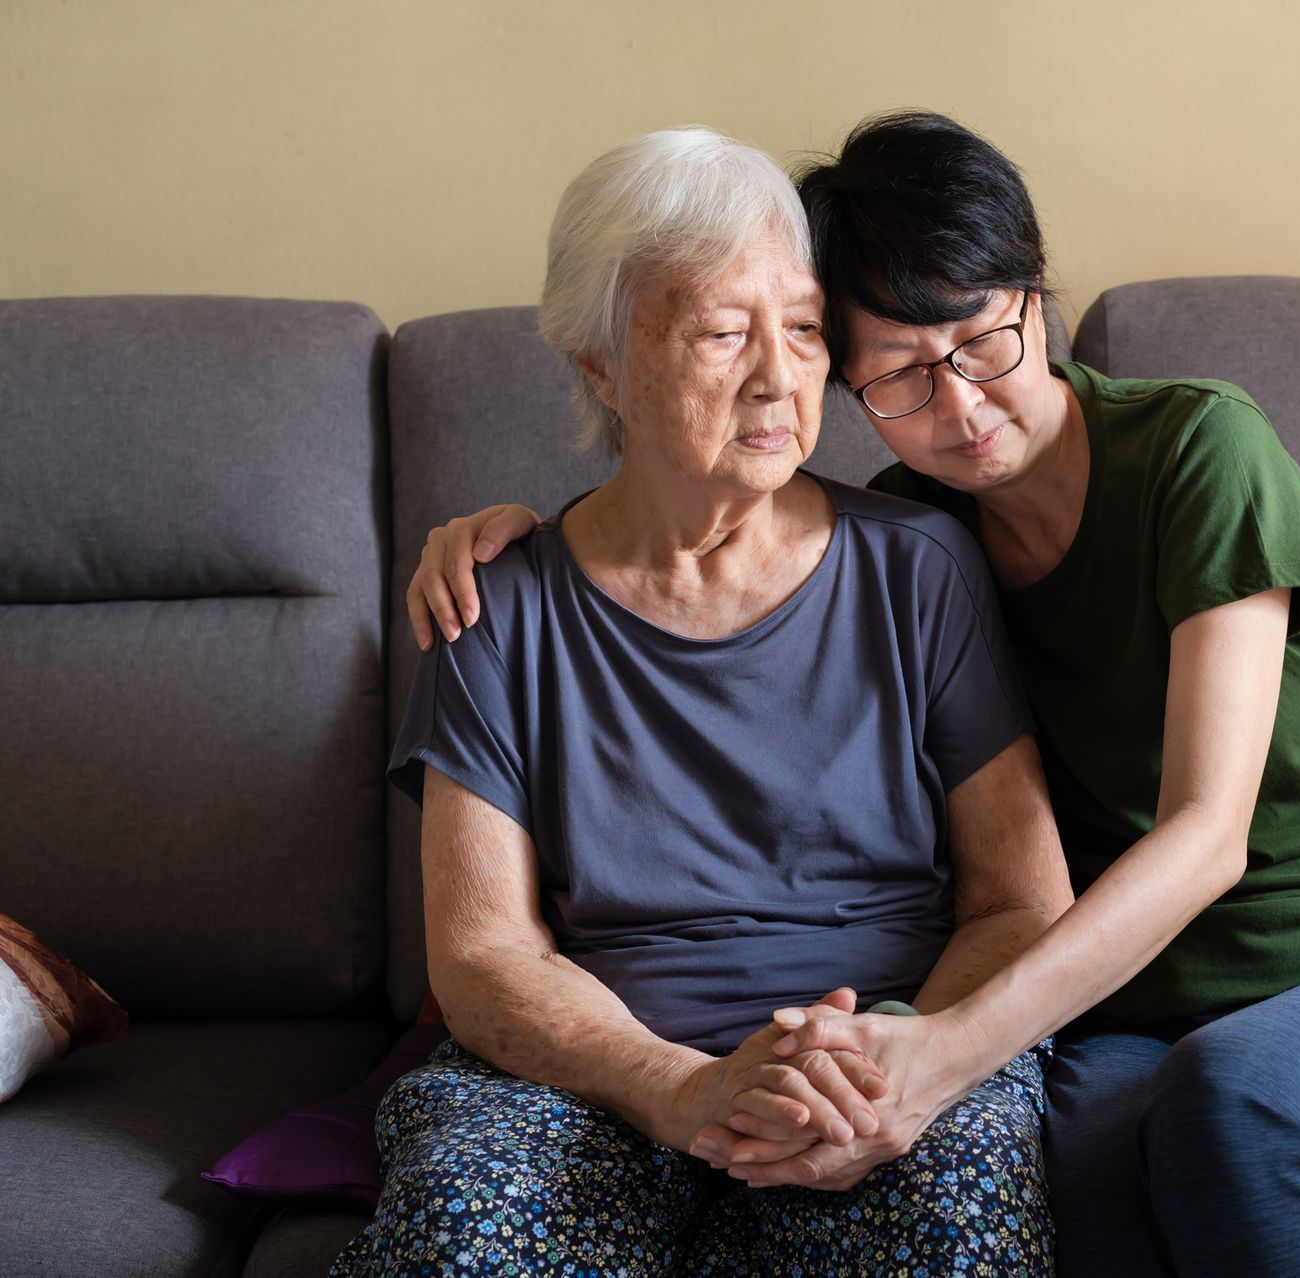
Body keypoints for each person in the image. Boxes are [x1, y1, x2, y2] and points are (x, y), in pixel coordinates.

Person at [410, 113, 1300, 1277]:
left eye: (983, 341)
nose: (961, 408)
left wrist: (939, 1050)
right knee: (1080, 1196)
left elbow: (1203, 837)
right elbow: (487, 938)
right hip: (1137, 1013)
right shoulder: (926, 530)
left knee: (1233, 1113)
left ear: (1038, 303)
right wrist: (508, 548)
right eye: (903, 373)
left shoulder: (1184, 459)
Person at [334, 126, 1073, 1277]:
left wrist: (888, 1058)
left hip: (881, 1060)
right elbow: (479, 957)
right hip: (596, 1074)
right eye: (725, 332)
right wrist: (679, 1088)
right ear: (599, 364)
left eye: (806, 329)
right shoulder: (497, 608)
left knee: (952, 1222)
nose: (780, 377)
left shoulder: (919, 567)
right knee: (465, 1232)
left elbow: (1023, 905)